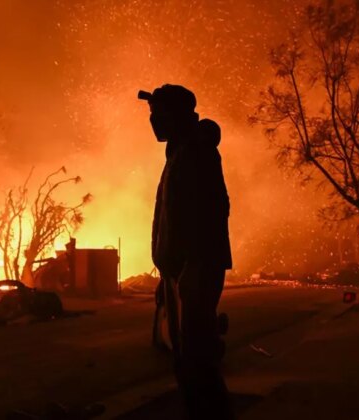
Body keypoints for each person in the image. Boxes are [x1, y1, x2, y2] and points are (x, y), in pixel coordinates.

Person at [140, 84, 233, 419]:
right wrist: (167, 271)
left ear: (176, 115)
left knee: (197, 363)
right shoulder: (180, 151)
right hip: (180, 271)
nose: (153, 122)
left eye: (158, 115)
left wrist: (195, 264)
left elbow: (214, 208)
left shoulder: (197, 151)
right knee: (187, 362)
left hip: (194, 269)